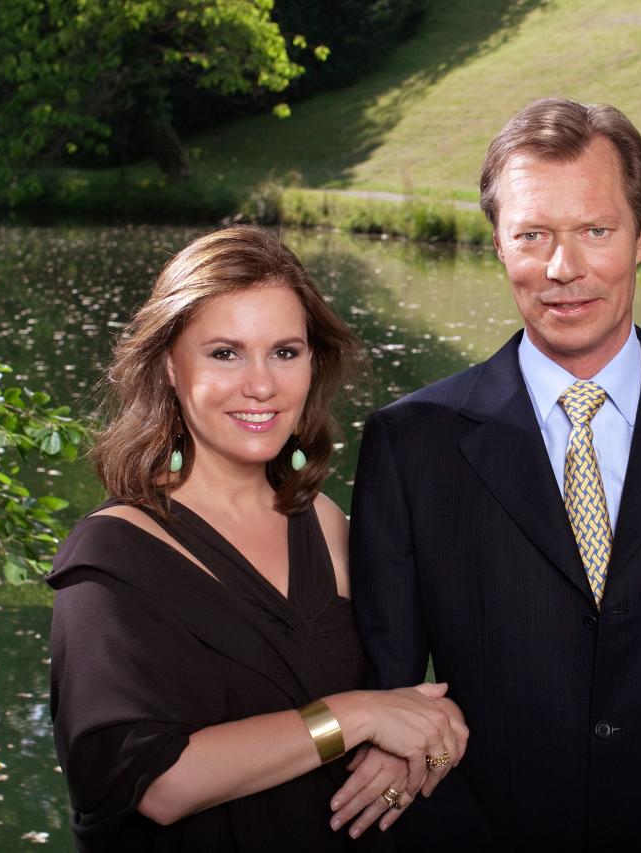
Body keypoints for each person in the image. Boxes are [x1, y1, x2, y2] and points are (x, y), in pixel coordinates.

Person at [348, 99, 641, 851]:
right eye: (533, 234)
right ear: (498, 245)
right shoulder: (410, 445)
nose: (563, 269)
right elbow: (390, 704)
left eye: (595, 230)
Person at [47, 225, 468, 852]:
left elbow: (407, 696)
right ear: (168, 364)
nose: (262, 385)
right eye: (225, 353)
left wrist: (436, 731)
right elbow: (155, 783)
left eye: (285, 351)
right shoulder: (110, 558)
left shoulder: (324, 522)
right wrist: (354, 717)